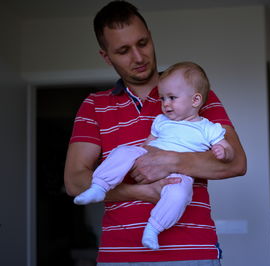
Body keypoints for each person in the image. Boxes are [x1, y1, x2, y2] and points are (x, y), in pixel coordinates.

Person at [63, 1, 246, 265]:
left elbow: (237, 163)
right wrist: (143, 191)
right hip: (120, 255)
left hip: (192, 252)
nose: (138, 57)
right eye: (124, 50)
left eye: (143, 43)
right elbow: (75, 182)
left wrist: (169, 161)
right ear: (106, 56)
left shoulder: (193, 94)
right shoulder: (94, 106)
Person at [73, 61, 235, 251]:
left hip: (179, 174)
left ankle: (154, 228)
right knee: (123, 151)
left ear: (195, 100)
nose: (165, 104)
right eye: (163, 98)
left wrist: (223, 152)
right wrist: (139, 157)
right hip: (150, 156)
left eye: (172, 98)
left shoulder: (207, 127)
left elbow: (229, 150)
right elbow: (148, 143)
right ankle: (100, 186)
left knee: (180, 194)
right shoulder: (161, 121)